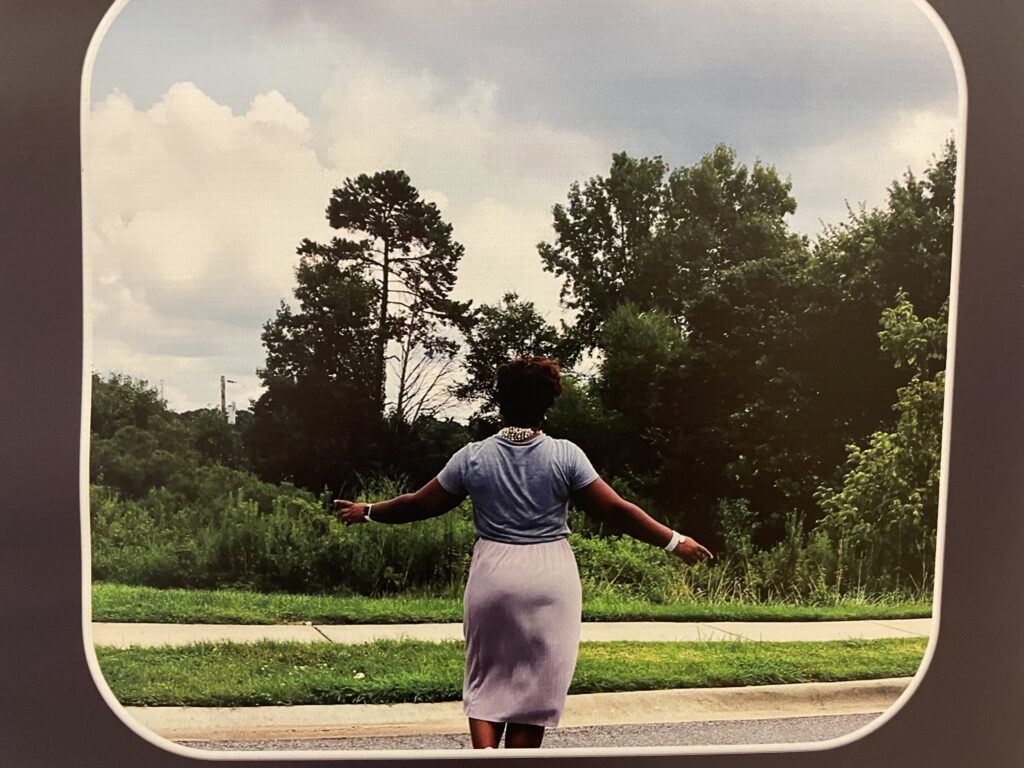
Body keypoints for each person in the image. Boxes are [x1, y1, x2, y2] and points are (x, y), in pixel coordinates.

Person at [334, 356, 713, 749]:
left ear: (501, 401)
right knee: (537, 686)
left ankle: (484, 760)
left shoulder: (473, 456)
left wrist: (369, 512)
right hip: (550, 576)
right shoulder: (566, 455)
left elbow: (420, 503)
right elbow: (616, 509)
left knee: (486, 678)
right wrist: (673, 540)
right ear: (547, 404)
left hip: (492, 575)